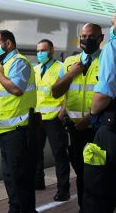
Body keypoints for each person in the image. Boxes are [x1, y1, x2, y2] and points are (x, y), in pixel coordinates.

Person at [51, 23, 103, 212]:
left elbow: (110, 95)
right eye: (83, 36)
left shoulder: (107, 60)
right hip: (75, 129)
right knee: (81, 173)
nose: (86, 40)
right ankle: (84, 208)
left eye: (91, 37)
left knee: (99, 173)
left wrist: (89, 118)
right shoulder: (69, 62)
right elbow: (55, 91)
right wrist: (71, 74)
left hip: (99, 128)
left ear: (101, 38)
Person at [0, 30, 37, 213]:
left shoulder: (18, 62)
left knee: (20, 179)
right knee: (11, 177)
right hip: (8, 130)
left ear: (8, 44)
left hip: (20, 131)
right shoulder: (5, 64)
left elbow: (17, 89)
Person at [83, 15, 116, 213]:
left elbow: (104, 94)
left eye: (113, 24)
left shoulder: (112, 48)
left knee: (98, 188)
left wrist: (93, 112)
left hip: (111, 127)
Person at [34, 39, 70, 201]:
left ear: (52, 51)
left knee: (59, 154)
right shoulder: (35, 70)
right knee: (35, 152)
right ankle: (38, 182)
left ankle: (63, 190)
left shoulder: (61, 68)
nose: (40, 53)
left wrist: (61, 114)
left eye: (44, 50)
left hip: (54, 119)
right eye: (38, 51)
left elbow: (69, 93)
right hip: (37, 117)